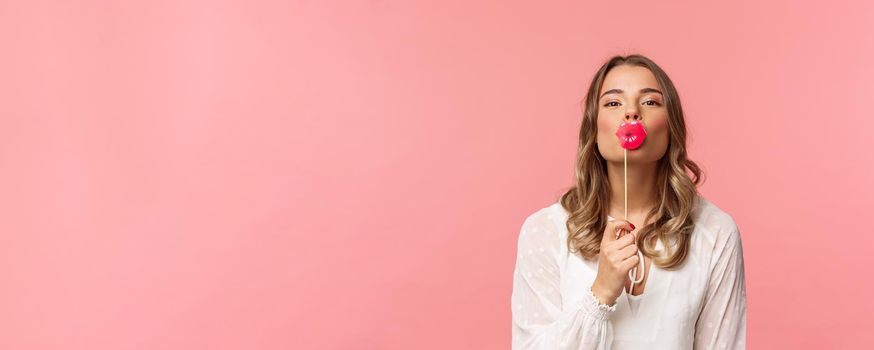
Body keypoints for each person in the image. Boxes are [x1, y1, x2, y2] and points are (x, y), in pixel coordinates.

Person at [510, 54, 747, 349]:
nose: (632, 112)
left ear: (670, 126)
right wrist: (600, 293)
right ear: (593, 129)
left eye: (650, 102)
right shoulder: (544, 230)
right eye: (613, 103)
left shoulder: (715, 232)